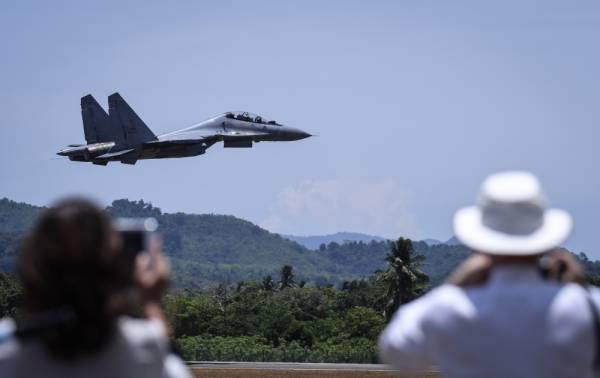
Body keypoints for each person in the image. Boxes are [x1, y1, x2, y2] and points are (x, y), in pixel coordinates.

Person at [379, 171, 599, 378]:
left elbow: (396, 350)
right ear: (544, 236)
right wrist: (583, 291)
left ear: (481, 240)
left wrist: (455, 284)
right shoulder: (590, 309)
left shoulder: (451, 307)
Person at [0, 199, 191, 378]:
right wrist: (151, 303)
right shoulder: (145, 349)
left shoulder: (6, 349)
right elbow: (174, 369)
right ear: (114, 272)